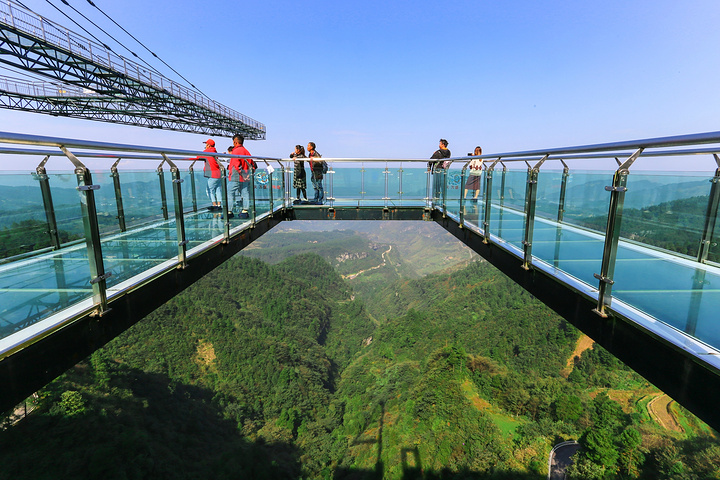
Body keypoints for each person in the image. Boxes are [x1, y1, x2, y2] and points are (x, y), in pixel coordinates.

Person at [227, 134, 255, 219]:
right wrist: (247, 175)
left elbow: (236, 165)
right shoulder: (246, 151)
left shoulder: (235, 151)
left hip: (236, 176)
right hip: (245, 176)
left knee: (229, 192)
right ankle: (245, 211)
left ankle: (229, 211)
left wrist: (242, 174)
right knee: (245, 192)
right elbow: (252, 164)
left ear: (235, 142)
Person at [201, 139, 221, 211]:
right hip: (219, 173)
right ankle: (219, 205)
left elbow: (198, 156)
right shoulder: (215, 152)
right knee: (218, 190)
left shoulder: (207, 151)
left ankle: (214, 205)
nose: (205, 146)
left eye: (206, 144)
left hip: (213, 174)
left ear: (209, 145)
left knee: (209, 190)